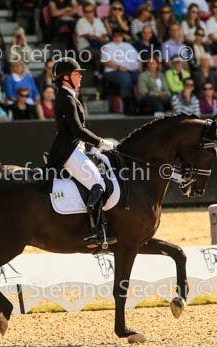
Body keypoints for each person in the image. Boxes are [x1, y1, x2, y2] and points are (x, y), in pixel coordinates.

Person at [46, 57, 116, 248]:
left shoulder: (69, 97)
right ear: (65, 77)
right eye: (76, 73)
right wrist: (100, 142)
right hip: (68, 151)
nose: (80, 76)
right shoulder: (65, 98)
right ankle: (95, 233)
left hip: (75, 149)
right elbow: (77, 130)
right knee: (98, 184)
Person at [101, 28, 140, 113]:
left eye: (119, 36)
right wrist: (118, 67)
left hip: (130, 70)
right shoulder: (108, 46)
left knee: (139, 77)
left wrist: (139, 68)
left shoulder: (128, 45)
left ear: (122, 36)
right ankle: (126, 106)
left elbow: (138, 59)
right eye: (115, 36)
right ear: (112, 37)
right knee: (126, 78)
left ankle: (140, 103)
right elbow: (105, 61)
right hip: (112, 71)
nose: (117, 38)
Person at [76, 2, 108, 70]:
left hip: (100, 44)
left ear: (94, 11)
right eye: (86, 11)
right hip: (86, 46)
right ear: (83, 12)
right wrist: (99, 39)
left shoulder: (97, 20)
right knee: (103, 54)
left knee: (111, 50)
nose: (89, 13)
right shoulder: (80, 22)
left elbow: (104, 33)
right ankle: (99, 71)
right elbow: (87, 36)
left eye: (91, 11)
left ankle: (101, 71)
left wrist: (103, 38)